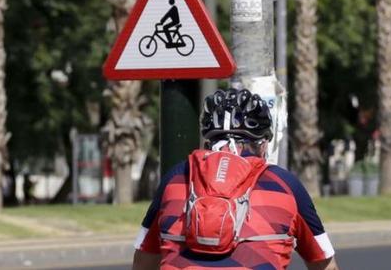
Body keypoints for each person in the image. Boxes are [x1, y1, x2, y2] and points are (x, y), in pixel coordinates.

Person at [133, 89, 339, 270]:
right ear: (264, 144)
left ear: (208, 141)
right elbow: (323, 263)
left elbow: (143, 261)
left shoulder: (176, 178)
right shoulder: (285, 185)